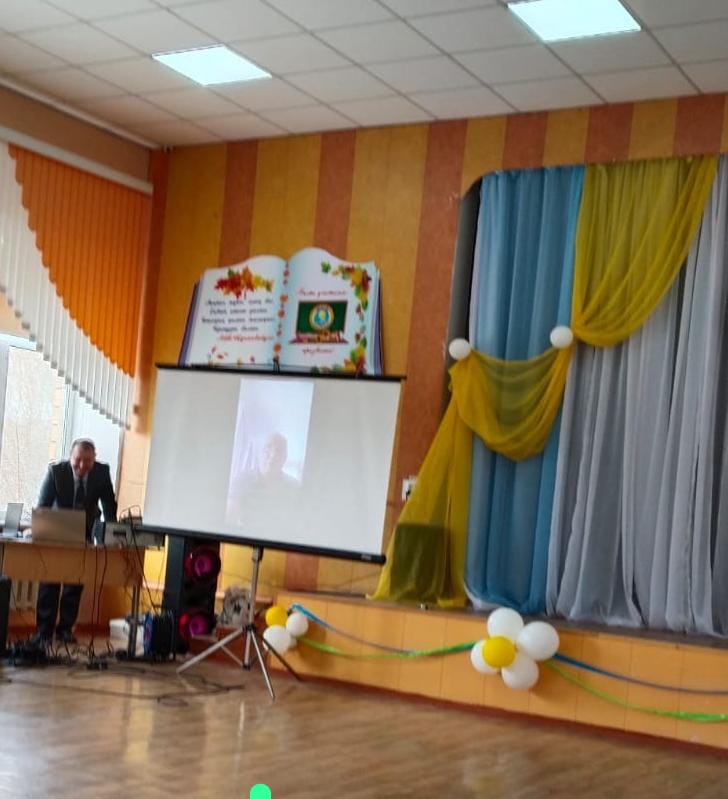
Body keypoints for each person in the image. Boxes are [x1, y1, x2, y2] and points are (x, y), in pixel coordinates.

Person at [34, 438, 117, 645]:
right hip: (56, 534)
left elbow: (109, 506)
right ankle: (44, 632)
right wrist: (36, 530)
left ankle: (65, 629)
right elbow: (43, 506)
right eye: (78, 460)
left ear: (94, 459)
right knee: (50, 582)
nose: (82, 466)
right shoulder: (56, 472)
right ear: (70, 457)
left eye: (87, 461)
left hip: (84, 535)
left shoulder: (101, 472)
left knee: (75, 583)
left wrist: (112, 535)